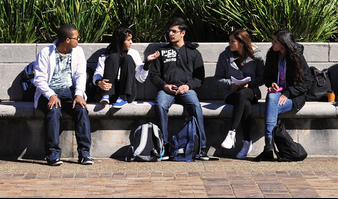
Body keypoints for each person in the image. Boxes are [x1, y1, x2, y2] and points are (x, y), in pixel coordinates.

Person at [149, 18, 210, 161]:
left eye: (174, 31)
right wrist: (165, 86)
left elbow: (199, 77)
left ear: (182, 33)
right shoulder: (162, 52)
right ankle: (163, 146)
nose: (170, 34)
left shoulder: (194, 53)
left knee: (195, 105)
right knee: (160, 105)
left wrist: (188, 86)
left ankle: (201, 148)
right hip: (166, 90)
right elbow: (154, 75)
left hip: (186, 89)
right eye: (169, 31)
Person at [32, 24, 93, 166]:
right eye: (76, 37)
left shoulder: (78, 52)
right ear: (67, 40)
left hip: (69, 91)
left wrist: (79, 94)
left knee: (81, 110)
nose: (78, 39)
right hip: (47, 92)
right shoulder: (46, 53)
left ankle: (84, 154)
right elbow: (39, 79)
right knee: (54, 111)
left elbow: (80, 75)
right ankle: (52, 155)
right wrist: (51, 95)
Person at [255, 28, 314, 162]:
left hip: (294, 97)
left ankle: (268, 148)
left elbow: (308, 82)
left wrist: (288, 93)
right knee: (271, 98)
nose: (272, 43)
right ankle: (270, 147)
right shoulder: (272, 54)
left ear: (284, 43)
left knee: (271, 105)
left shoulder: (297, 56)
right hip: (276, 95)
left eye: (275, 41)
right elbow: (266, 76)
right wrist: (271, 84)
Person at [215, 29, 265, 159]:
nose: (230, 43)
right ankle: (247, 142)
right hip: (232, 93)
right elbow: (218, 78)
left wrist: (250, 83)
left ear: (242, 43)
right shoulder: (225, 56)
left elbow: (262, 78)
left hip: (252, 91)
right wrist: (230, 85)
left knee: (244, 94)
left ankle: (232, 132)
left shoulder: (256, 56)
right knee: (245, 103)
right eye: (230, 40)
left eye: (233, 41)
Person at [93, 27, 158, 107]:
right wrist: (99, 82)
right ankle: (106, 95)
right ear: (120, 41)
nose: (131, 42)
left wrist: (147, 63)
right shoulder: (106, 55)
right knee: (113, 57)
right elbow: (98, 72)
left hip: (128, 94)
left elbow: (141, 78)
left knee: (127, 58)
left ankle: (122, 98)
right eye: (128, 40)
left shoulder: (134, 53)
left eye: (131, 39)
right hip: (110, 93)